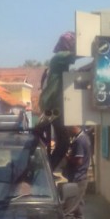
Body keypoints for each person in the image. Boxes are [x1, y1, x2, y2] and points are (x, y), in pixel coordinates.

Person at [39, 31, 78, 171]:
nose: (74, 45)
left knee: (59, 141)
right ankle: (46, 169)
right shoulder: (61, 56)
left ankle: (45, 167)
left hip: (52, 103)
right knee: (63, 143)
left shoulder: (59, 59)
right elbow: (79, 57)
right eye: (73, 43)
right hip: (53, 103)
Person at [62, 125, 92, 219]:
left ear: (74, 126)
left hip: (78, 180)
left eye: (68, 128)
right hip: (79, 179)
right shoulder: (82, 138)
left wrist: (68, 157)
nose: (67, 130)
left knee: (67, 212)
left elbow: (79, 160)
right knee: (77, 212)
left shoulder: (80, 140)